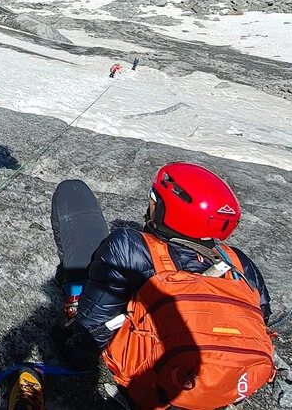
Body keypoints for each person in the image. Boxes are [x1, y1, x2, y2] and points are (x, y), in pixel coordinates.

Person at [56, 163, 274, 408]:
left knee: (71, 197)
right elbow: (259, 320)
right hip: (221, 384)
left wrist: (72, 349)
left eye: (154, 198)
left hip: (151, 377)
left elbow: (94, 328)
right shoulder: (238, 262)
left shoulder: (130, 245)